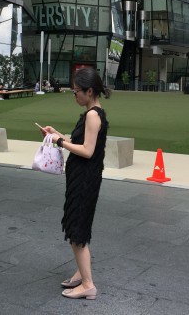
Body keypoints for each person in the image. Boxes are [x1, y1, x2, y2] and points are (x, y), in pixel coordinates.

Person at [41, 67, 110, 301]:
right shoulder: (93, 113)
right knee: (79, 225)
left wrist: (59, 142)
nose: (74, 96)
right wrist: (56, 134)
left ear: (89, 91)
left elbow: (87, 151)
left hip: (84, 179)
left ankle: (88, 285)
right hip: (84, 177)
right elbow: (79, 142)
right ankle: (82, 272)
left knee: (77, 229)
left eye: (76, 91)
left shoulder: (92, 115)